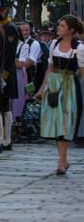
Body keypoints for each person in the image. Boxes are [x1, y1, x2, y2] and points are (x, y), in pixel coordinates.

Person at [35, 15, 84, 176]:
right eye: (59, 25)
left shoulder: (79, 47)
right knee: (55, 123)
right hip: (54, 85)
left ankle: (62, 161)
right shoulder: (54, 44)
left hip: (69, 86)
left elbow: (82, 73)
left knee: (65, 122)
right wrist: (42, 89)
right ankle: (62, 159)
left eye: (62, 26)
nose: (59, 28)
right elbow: (49, 68)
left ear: (71, 30)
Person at [0, 0, 20, 152]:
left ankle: (6, 138)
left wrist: (3, 74)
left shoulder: (9, 27)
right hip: (1, 70)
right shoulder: (2, 25)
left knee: (4, 106)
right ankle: (1, 138)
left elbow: (9, 54)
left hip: (6, 71)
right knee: (0, 106)